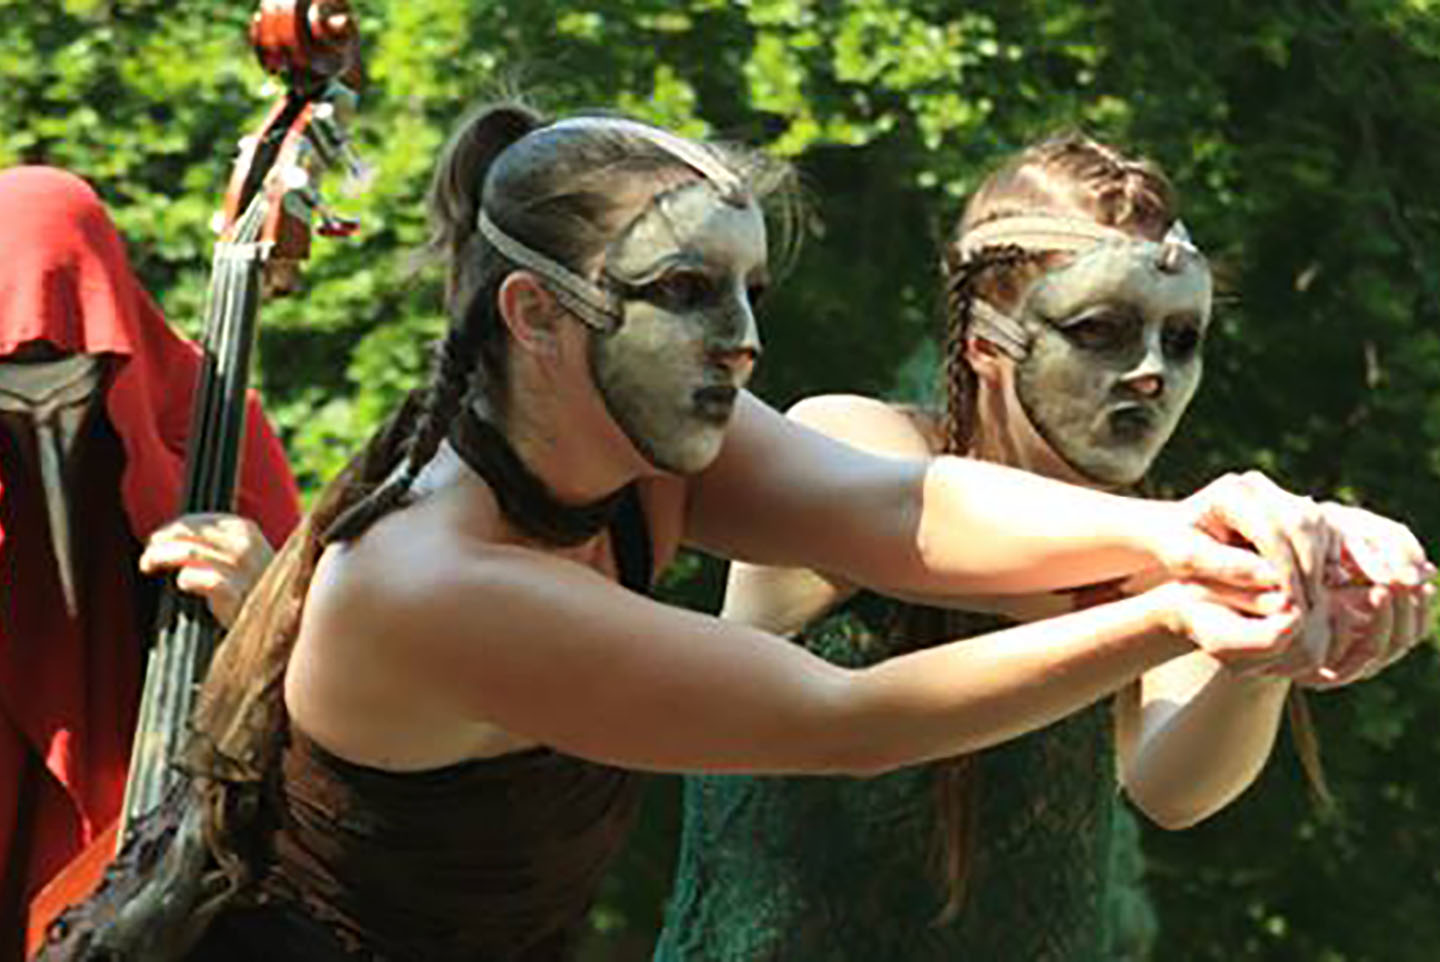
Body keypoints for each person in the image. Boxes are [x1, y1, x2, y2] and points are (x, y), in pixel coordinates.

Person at [39, 108, 1420, 962]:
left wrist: (1193, 529)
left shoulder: (649, 443)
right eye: (692, 293)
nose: (744, 343)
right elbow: (846, 718)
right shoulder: (430, 577)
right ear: (536, 317)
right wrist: (1173, 607)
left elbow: (904, 511)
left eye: (752, 289)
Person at [655, 135, 1434, 961]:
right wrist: (1213, 565)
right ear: (987, 344)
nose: (1151, 373)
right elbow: (931, 531)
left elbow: (1174, 789)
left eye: (1181, 340)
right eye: (1104, 330)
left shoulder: (1163, 550)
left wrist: (1272, 640)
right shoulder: (854, 439)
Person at [0, 166, 301, 960]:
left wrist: (270, 605)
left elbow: (333, 689)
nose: (43, 424)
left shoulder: (214, 421)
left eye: (74, 388)